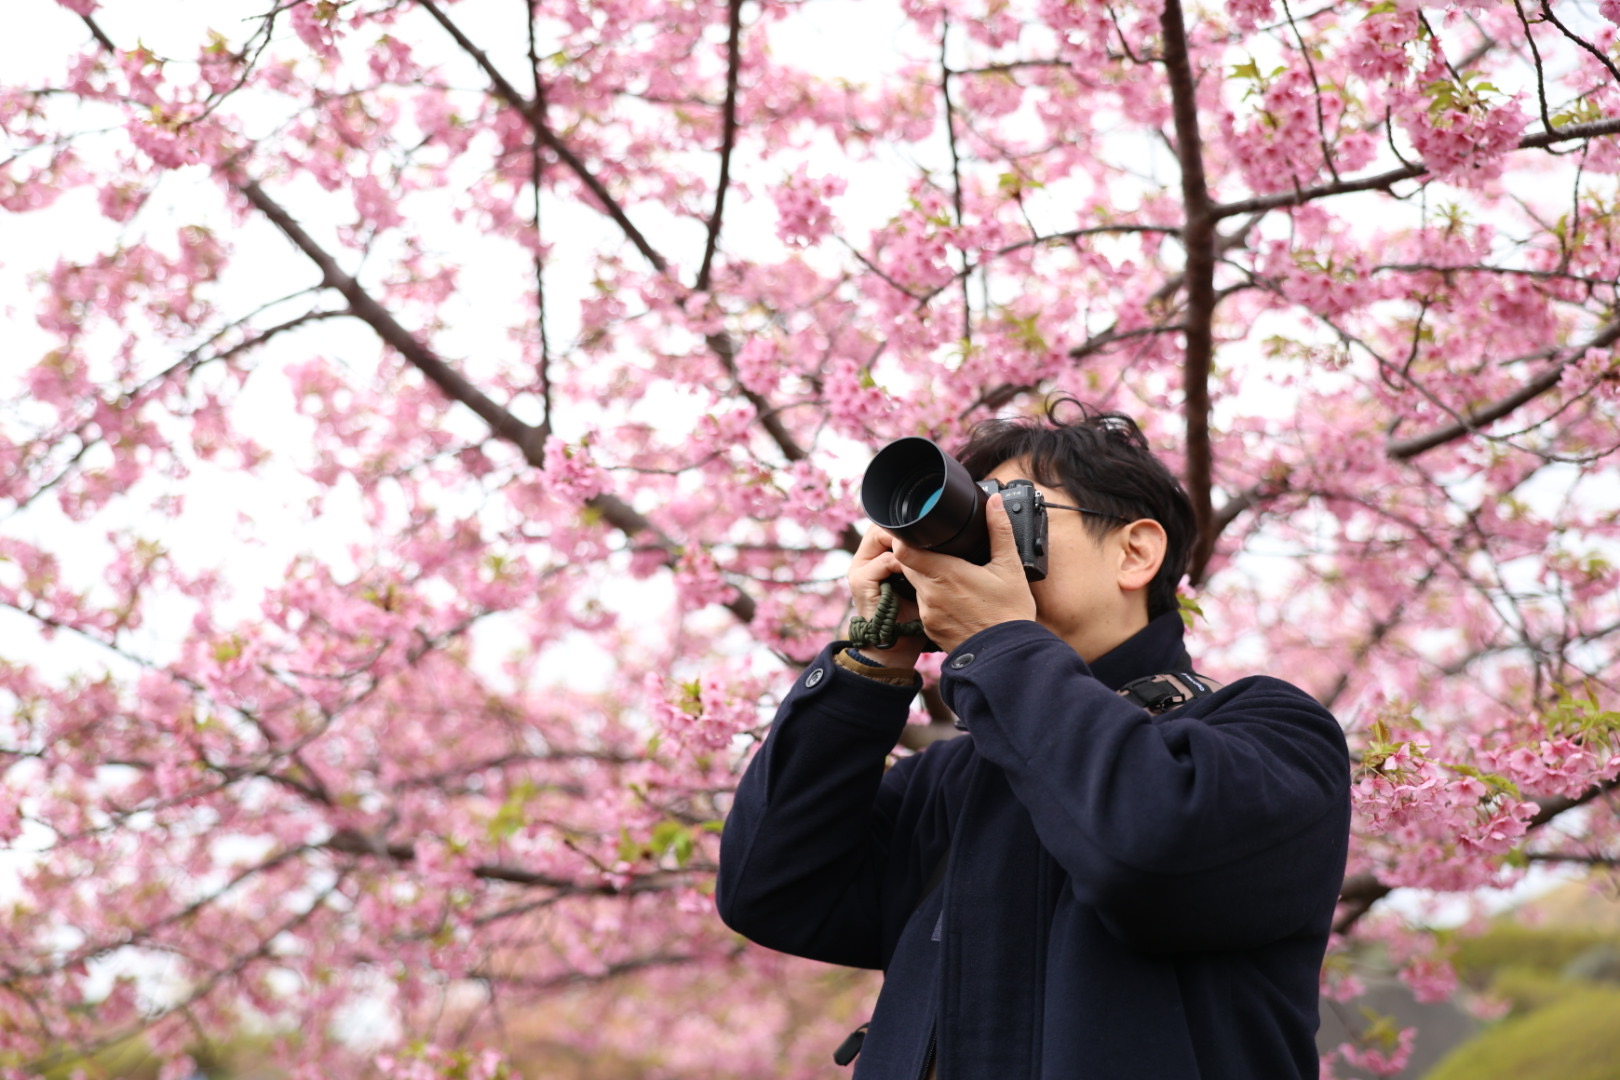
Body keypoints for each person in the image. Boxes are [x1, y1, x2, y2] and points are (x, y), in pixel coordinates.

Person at [716, 401, 1351, 1080]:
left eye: (1013, 513)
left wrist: (998, 644)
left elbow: (1150, 851)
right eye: (973, 520)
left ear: (1135, 552)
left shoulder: (1271, 732)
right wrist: (872, 656)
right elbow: (770, 888)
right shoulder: (949, 782)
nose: (979, 549)